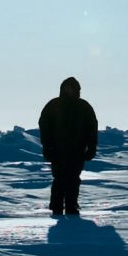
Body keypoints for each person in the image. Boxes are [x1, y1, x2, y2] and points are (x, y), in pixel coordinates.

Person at [38, 76, 98, 216]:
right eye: (66, 87)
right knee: (59, 178)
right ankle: (56, 207)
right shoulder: (53, 105)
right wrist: (47, 146)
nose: (68, 90)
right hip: (57, 149)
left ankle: (71, 206)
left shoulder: (84, 107)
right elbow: (44, 126)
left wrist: (92, 147)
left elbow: (92, 128)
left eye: (71, 87)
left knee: (73, 179)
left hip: (77, 150)